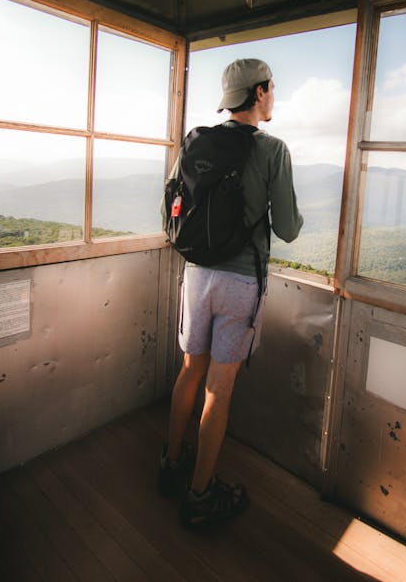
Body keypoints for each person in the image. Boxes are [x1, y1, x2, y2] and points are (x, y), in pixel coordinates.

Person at [159, 58, 303, 530]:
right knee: (218, 392)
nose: (273, 96)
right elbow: (287, 229)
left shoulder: (197, 142)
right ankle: (200, 496)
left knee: (189, 372)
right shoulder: (273, 150)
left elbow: (173, 203)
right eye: (272, 88)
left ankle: (171, 464)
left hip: (196, 275)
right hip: (241, 283)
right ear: (259, 92)